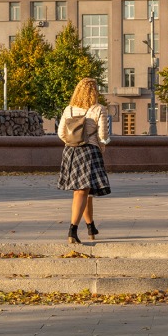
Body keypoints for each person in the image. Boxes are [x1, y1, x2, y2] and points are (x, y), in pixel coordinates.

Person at [56, 77, 112, 244]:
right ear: (94, 92)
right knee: (82, 191)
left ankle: (90, 226)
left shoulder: (69, 109)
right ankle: (72, 229)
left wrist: (73, 142)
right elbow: (103, 135)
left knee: (84, 191)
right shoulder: (99, 109)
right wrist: (102, 145)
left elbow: (60, 133)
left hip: (71, 151)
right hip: (89, 151)